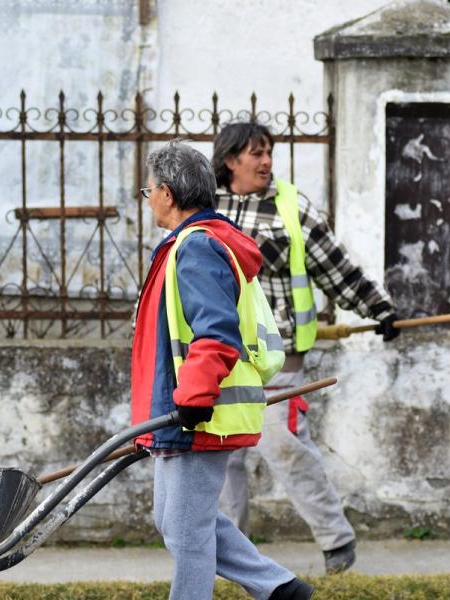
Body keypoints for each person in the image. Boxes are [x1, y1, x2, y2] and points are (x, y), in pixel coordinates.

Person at [212, 122, 401, 575]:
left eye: (269, 152)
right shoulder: (207, 208)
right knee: (220, 460)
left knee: (286, 446)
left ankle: (337, 543)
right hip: (220, 360)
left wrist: (378, 308)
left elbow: (337, 267)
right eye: (256, 154)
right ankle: (227, 557)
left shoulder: (291, 207)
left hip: (279, 359)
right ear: (229, 160)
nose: (266, 162)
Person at [131, 140, 315, 600]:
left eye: (148, 189)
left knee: (188, 535)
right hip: (176, 409)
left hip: (199, 412)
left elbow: (216, 332)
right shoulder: (186, 246)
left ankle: (272, 588)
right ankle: (278, 587)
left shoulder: (197, 249)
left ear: (168, 194)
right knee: (174, 521)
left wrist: (193, 399)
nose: (147, 197)